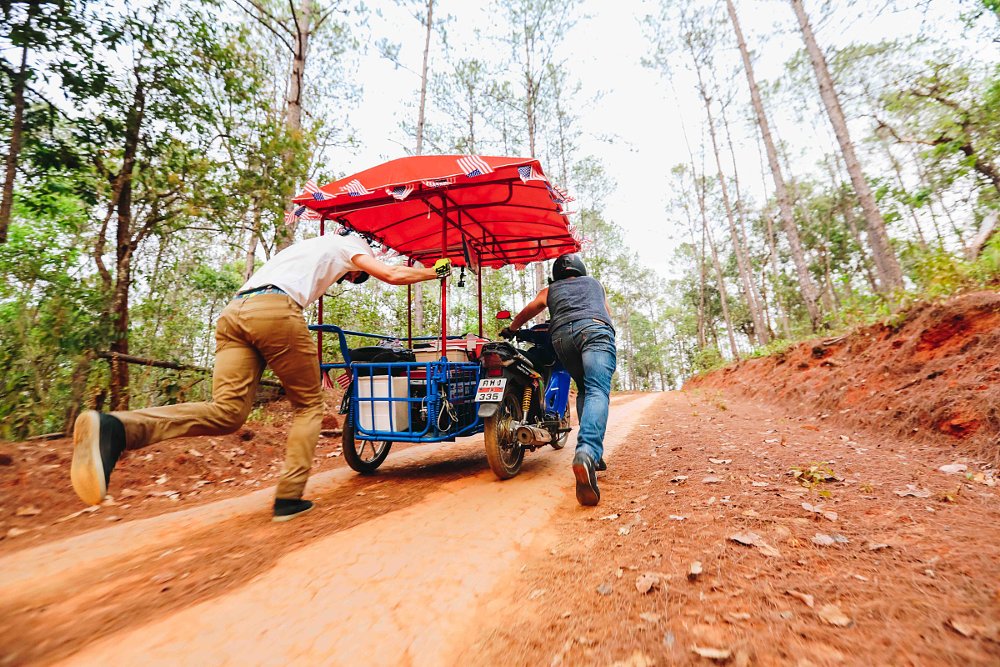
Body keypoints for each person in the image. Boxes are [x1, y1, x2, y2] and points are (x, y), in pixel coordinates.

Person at [70, 230, 451, 522]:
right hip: (274, 310)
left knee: (227, 412)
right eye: (354, 277)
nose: (349, 280)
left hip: (235, 311)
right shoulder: (347, 244)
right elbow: (392, 273)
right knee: (309, 406)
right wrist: (432, 272)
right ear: (359, 257)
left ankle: (117, 429)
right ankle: (289, 496)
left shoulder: (304, 248)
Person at [501, 253, 616, 506]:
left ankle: (594, 457)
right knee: (597, 390)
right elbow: (606, 312)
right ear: (581, 269)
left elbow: (530, 309)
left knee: (586, 388)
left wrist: (511, 329)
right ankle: (587, 453)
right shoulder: (595, 285)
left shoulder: (550, 289)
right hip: (595, 330)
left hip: (562, 336)